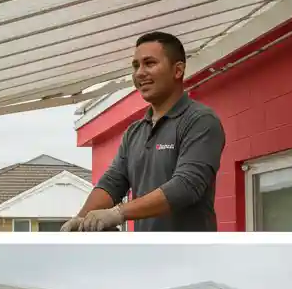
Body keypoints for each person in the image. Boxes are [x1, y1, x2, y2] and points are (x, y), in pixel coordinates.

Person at [63, 31, 226, 232]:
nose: (140, 73)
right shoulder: (135, 132)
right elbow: (112, 183)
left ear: (178, 70)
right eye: (136, 66)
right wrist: (81, 220)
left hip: (189, 257)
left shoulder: (199, 120)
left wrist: (118, 213)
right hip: (146, 254)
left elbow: (187, 185)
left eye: (149, 63)